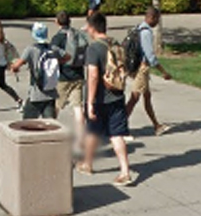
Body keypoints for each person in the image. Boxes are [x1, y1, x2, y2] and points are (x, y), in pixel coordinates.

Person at [84, 14, 136, 186]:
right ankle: (125, 171)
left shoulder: (94, 49)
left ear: (92, 28)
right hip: (117, 95)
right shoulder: (115, 44)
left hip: (100, 98)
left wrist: (90, 102)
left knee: (92, 131)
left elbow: (93, 76)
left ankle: (87, 164)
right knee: (117, 134)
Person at [124, 7, 174, 135]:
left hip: (136, 67)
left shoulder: (138, 28)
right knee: (134, 98)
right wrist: (163, 72)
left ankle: (157, 125)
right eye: (157, 19)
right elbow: (150, 56)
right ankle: (119, 126)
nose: (157, 22)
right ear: (151, 17)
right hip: (142, 68)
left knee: (147, 97)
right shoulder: (146, 32)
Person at [49, 12, 89, 167]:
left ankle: (49, 137)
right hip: (78, 76)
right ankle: (79, 145)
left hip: (63, 77)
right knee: (78, 110)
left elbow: (53, 58)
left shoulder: (57, 38)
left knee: (55, 108)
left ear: (57, 22)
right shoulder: (77, 34)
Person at [17, 21, 59, 120]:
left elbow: (18, 64)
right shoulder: (52, 48)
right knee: (50, 124)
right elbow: (67, 56)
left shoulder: (30, 49)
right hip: (51, 93)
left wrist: (13, 67)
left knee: (27, 123)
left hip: (36, 94)